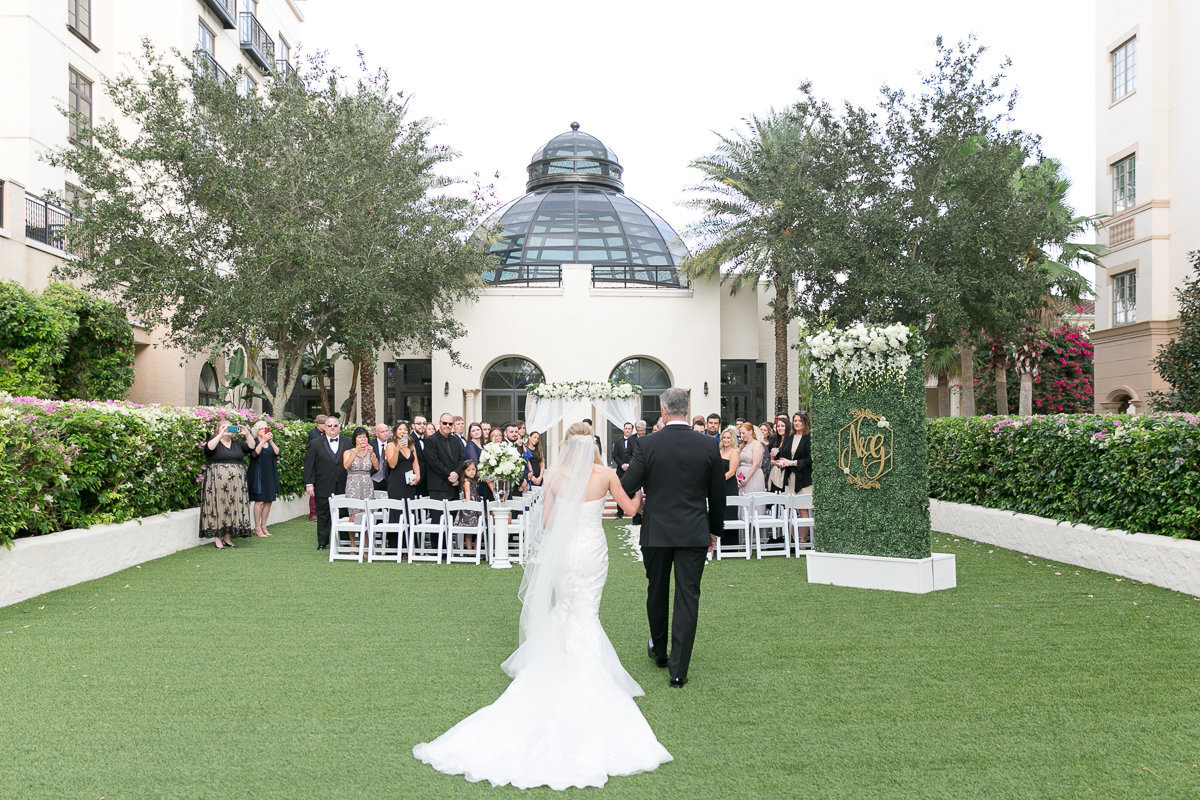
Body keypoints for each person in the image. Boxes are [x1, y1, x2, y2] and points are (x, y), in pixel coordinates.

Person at [413, 424, 664, 789]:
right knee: (586, 611)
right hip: (592, 552)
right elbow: (627, 509)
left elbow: (546, 522)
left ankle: (555, 666)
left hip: (564, 554)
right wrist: (642, 495)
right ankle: (586, 675)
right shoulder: (606, 474)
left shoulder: (556, 477)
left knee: (565, 608)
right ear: (592, 447)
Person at [620, 388, 726, 689]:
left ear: (664, 412)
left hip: (656, 531)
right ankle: (678, 671)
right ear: (687, 408)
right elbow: (718, 495)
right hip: (694, 530)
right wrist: (714, 530)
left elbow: (628, 483)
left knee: (657, 590)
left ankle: (659, 649)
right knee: (687, 596)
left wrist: (639, 496)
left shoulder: (647, 443)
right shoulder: (707, 444)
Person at [200, 421, 257, 549]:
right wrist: (220, 434)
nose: (228, 429)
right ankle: (217, 538)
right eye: (224, 426)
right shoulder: (215, 442)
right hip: (217, 482)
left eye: (230, 426)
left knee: (232, 507)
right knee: (218, 506)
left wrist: (247, 434)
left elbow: (252, 447)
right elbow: (208, 449)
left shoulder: (238, 444)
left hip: (236, 483)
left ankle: (227, 537)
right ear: (218, 429)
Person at [303, 416, 348, 550]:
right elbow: (309, 465)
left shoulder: (348, 442)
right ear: (324, 428)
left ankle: (344, 541)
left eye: (335, 425)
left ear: (339, 427)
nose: (332, 428)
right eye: (329, 426)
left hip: (343, 485)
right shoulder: (315, 443)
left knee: (344, 513)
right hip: (323, 484)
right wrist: (309, 484)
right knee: (323, 514)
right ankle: (322, 542)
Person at [343, 427, 379, 543]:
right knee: (353, 514)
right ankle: (352, 544)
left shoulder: (370, 452)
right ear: (355, 439)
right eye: (360, 437)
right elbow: (346, 466)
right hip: (353, 485)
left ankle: (366, 544)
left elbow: (377, 467)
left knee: (366, 514)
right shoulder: (348, 452)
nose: (362, 439)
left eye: (364, 437)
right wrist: (356, 452)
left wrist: (372, 453)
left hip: (367, 483)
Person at [248, 420, 280, 537]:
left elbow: (277, 452)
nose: (265, 430)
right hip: (258, 474)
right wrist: (262, 442)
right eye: (262, 428)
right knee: (259, 501)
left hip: (270, 474)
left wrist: (270, 441)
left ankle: (263, 525)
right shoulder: (254, 442)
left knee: (268, 501)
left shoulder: (270, 442)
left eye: (266, 428)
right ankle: (257, 527)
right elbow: (254, 454)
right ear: (257, 431)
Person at [386, 421, 420, 528]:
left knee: (409, 509)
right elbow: (392, 464)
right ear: (395, 432)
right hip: (396, 483)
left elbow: (415, 463)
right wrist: (397, 449)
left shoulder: (411, 446)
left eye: (405, 429)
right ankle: (395, 541)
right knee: (397, 510)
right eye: (400, 429)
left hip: (409, 483)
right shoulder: (390, 445)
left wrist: (418, 477)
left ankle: (409, 541)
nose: (403, 431)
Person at [425, 413, 464, 505]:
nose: (447, 426)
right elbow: (434, 462)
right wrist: (451, 475)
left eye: (450, 424)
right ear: (439, 423)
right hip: (438, 487)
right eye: (445, 423)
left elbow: (462, 459)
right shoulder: (431, 440)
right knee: (438, 518)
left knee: (453, 518)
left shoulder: (455, 440)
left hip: (454, 486)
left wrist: (456, 474)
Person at [610, 422, 637, 519]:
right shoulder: (618, 442)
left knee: (633, 491)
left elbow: (636, 455)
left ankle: (633, 511)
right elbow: (615, 455)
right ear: (623, 429)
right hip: (620, 471)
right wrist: (622, 465)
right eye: (626, 428)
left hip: (632, 470)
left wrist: (630, 465)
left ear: (632, 430)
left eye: (629, 429)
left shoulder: (636, 441)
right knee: (619, 491)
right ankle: (620, 513)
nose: (627, 430)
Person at [719, 426, 741, 529]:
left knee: (729, 513)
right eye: (724, 437)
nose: (726, 440)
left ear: (732, 439)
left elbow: (732, 472)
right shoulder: (720, 452)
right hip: (720, 487)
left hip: (729, 486)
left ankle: (731, 541)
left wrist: (718, 481)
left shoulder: (735, 452)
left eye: (728, 438)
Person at [307, 414, 328, 520]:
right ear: (320, 425)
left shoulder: (320, 433)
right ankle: (313, 513)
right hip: (315, 465)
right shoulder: (314, 434)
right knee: (313, 491)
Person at [736, 422, 765, 495]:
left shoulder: (757, 445)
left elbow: (755, 464)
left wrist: (746, 479)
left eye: (743, 433)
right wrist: (737, 476)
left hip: (753, 477)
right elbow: (738, 463)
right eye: (740, 433)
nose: (742, 436)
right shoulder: (742, 445)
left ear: (750, 432)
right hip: (741, 476)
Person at [369, 422, 392, 492]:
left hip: (389, 480)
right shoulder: (370, 445)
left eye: (387, 431)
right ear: (376, 434)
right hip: (373, 479)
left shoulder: (392, 445)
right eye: (382, 432)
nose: (385, 433)